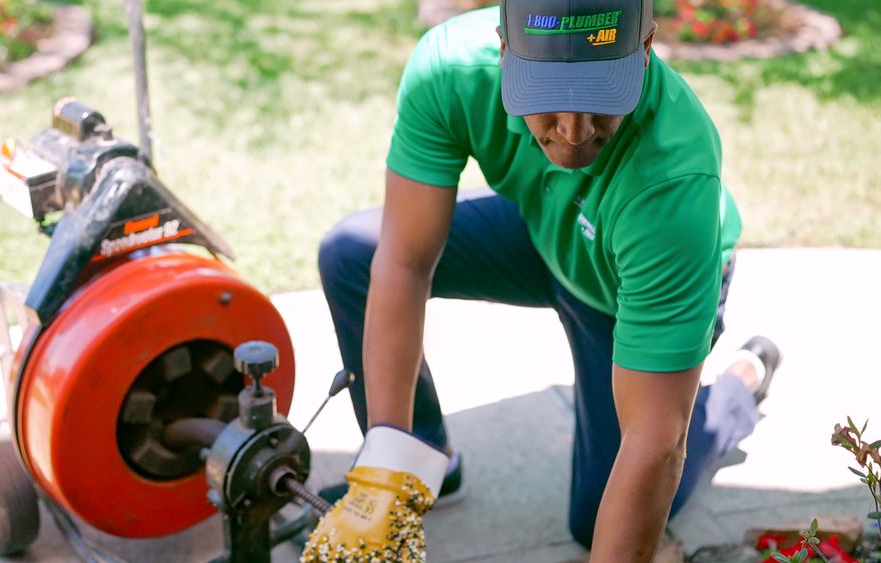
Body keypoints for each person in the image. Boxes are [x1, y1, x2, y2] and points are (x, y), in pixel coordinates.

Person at [302, 0, 782, 560]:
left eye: (602, 97)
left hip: (626, 281)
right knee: (354, 253)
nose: (575, 134)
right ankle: (424, 460)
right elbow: (404, 260)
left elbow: (653, 443)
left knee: (607, 507)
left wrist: (667, 431)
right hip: (545, 233)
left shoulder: (674, 179)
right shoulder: (450, 69)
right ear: (505, 52)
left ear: (645, 49)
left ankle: (733, 391)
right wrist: (386, 468)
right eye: (547, 97)